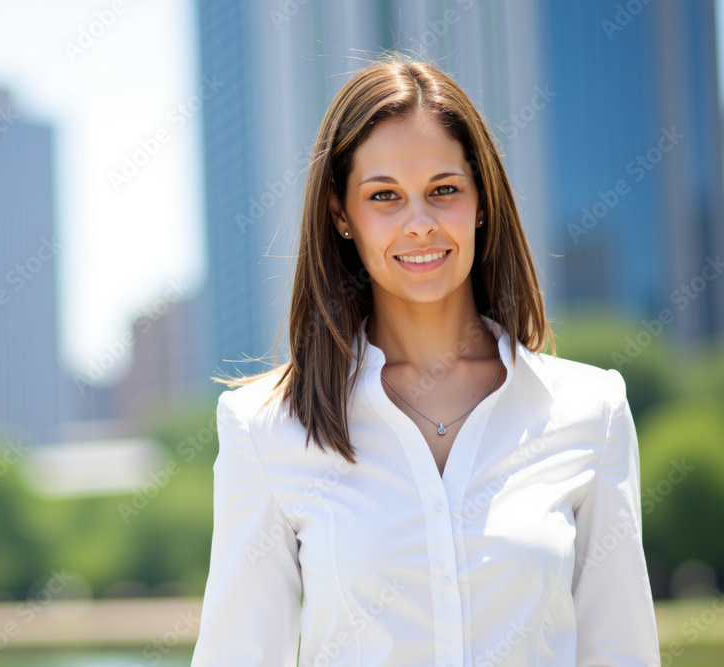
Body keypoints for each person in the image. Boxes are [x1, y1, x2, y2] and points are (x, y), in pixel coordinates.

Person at [190, 54, 660, 666]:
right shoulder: (266, 428)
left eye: (444, 190)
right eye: (384, 195)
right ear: (341, 215)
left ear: (482, 199)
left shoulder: (590, 412)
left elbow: (622, 651)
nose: (419, 224)